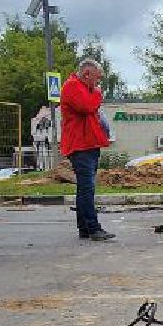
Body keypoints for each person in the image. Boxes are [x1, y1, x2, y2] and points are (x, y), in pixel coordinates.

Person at [59, 58, 113, 241]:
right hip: (80, 145)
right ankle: (93, 228)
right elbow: (87, 106)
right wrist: (98, 94)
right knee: (87, 188)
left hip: (87, 144)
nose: (98, 84)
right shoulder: (72, 86)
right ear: (86, 74)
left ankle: (84, 228)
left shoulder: (83, 87)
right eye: (97, 79)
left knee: (84, 189)